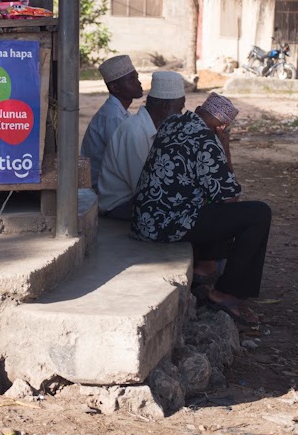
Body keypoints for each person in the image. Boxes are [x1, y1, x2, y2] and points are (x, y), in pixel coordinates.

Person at [131, 92, 272, 325]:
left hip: (144, 220)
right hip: (168, 225)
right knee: (258, 214)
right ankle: (225, 291)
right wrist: (225, 147)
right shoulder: (206, 140)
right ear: (223, 126)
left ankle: (204, 268)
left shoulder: (173, 122)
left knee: (208, 201)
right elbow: (229, 198)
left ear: (200, 109)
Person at [98, 71, 186, 220]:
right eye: (179, 109)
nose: (180, 114)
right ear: (165, 107)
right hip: (119, 207)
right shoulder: (135, 132)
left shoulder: (148, 127)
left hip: (136, 200)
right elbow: (146, 189)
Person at [81, 55, 143, 192]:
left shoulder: (120, 111)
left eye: (137, 77)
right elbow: (125, 160)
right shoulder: (112, 116)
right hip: (101, 188)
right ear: (115, 87)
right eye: (132, 79)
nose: (138, 83)